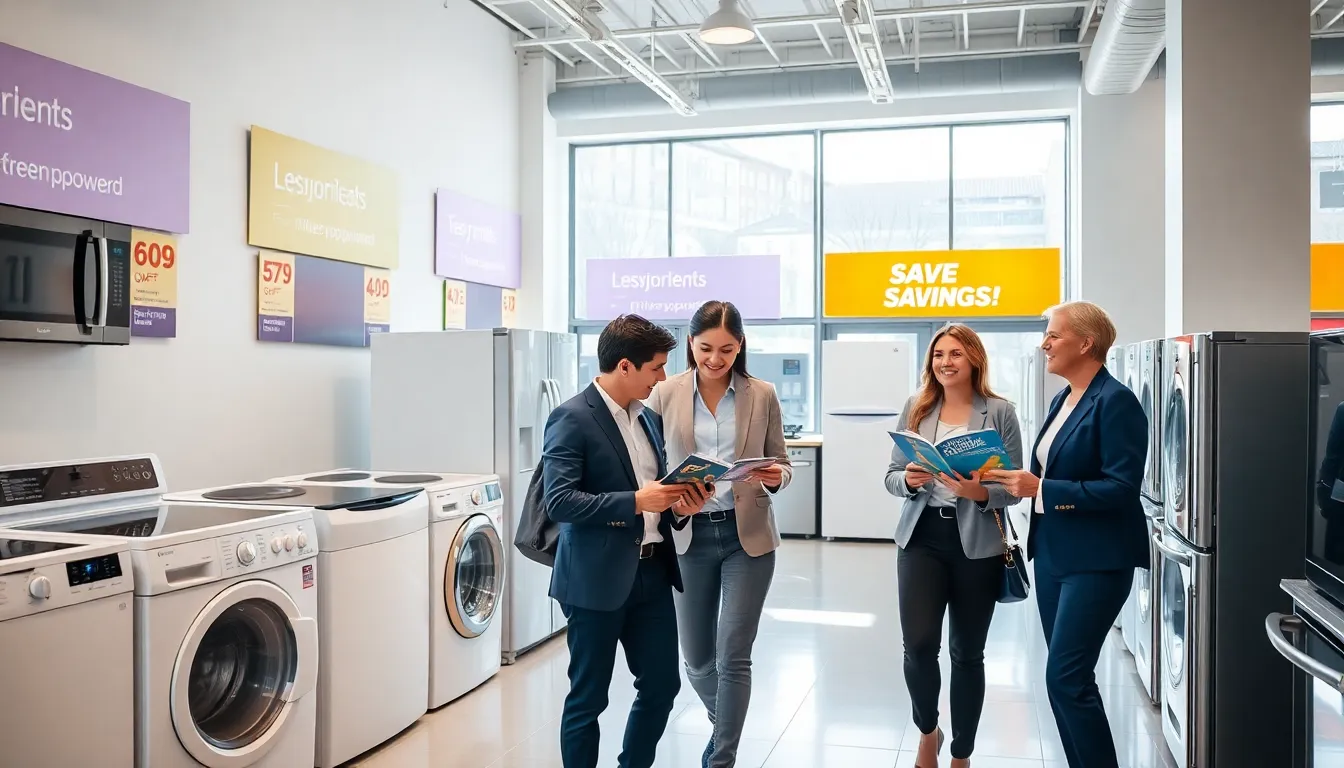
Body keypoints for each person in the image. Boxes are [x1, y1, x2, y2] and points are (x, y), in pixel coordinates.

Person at [984, 301, 1148, 768]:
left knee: (1066, 679)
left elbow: (1121, 488)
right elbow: (1047, 469)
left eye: (1054, 335)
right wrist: (1001, 475)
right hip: (1054, 556)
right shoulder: (1064, 398)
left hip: (1097, 560)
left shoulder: (1116, 401)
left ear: (1086, 342)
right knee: (1064, 680)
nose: (1045, 344)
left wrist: (1044, 489)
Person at [543, 314, 712, 768]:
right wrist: (637, 501)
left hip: (653, 573)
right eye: (656, 367)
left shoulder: (648, 418)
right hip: (595, 580)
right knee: (589, 697)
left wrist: (680, 506)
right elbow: (559, 501)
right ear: (624, 366)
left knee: (662, 686)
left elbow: (654, 496)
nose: (662, 377)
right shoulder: (571, 417)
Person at [643, 300, 792, 768]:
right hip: (688, 538)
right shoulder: (663, 393)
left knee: (734, 655)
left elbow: (783, 464)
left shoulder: (761, 393)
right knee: (698, 661)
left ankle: (721, 759)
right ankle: (724, 723)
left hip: (747, 537)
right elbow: (645, 465)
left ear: (740, 347)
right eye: (706, 348)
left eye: (727, 349)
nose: (715, 358)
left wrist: (773, 477)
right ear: (690, 343)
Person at [883, 323, 1024, 768]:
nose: (946, 362)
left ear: (974, 360)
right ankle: (929, 730)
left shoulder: (999, 412)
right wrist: (907, 480)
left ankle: (962, 752)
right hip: (922, 537)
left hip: (977, 544)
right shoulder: (917, 407)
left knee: (967, 653)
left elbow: (1015, 486)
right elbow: (890, 475)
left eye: (956, 354)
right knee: (919, 645)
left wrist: (979, 493)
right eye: (939, 354)